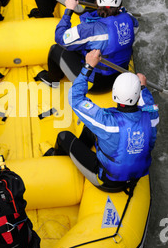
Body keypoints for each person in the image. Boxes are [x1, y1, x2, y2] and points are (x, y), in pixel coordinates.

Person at [49, 49, 159, 192]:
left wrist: (88, 67)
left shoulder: (107, 122)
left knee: (63, 137)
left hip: (107, 180)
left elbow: (75, 99)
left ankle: (54, 159)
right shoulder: (152, 115)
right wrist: (143, 87)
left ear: (114, 95)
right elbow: (150, 105)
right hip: (135, 176)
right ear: (138, 97)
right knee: (90, 129)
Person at [35, 0, 138, 92]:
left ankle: (52, 80)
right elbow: (133, 26)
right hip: (121, 75)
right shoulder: (129, 18)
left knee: (55, 50)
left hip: (97, 84)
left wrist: (69, 10)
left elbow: (60, 37)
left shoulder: (90, 30)